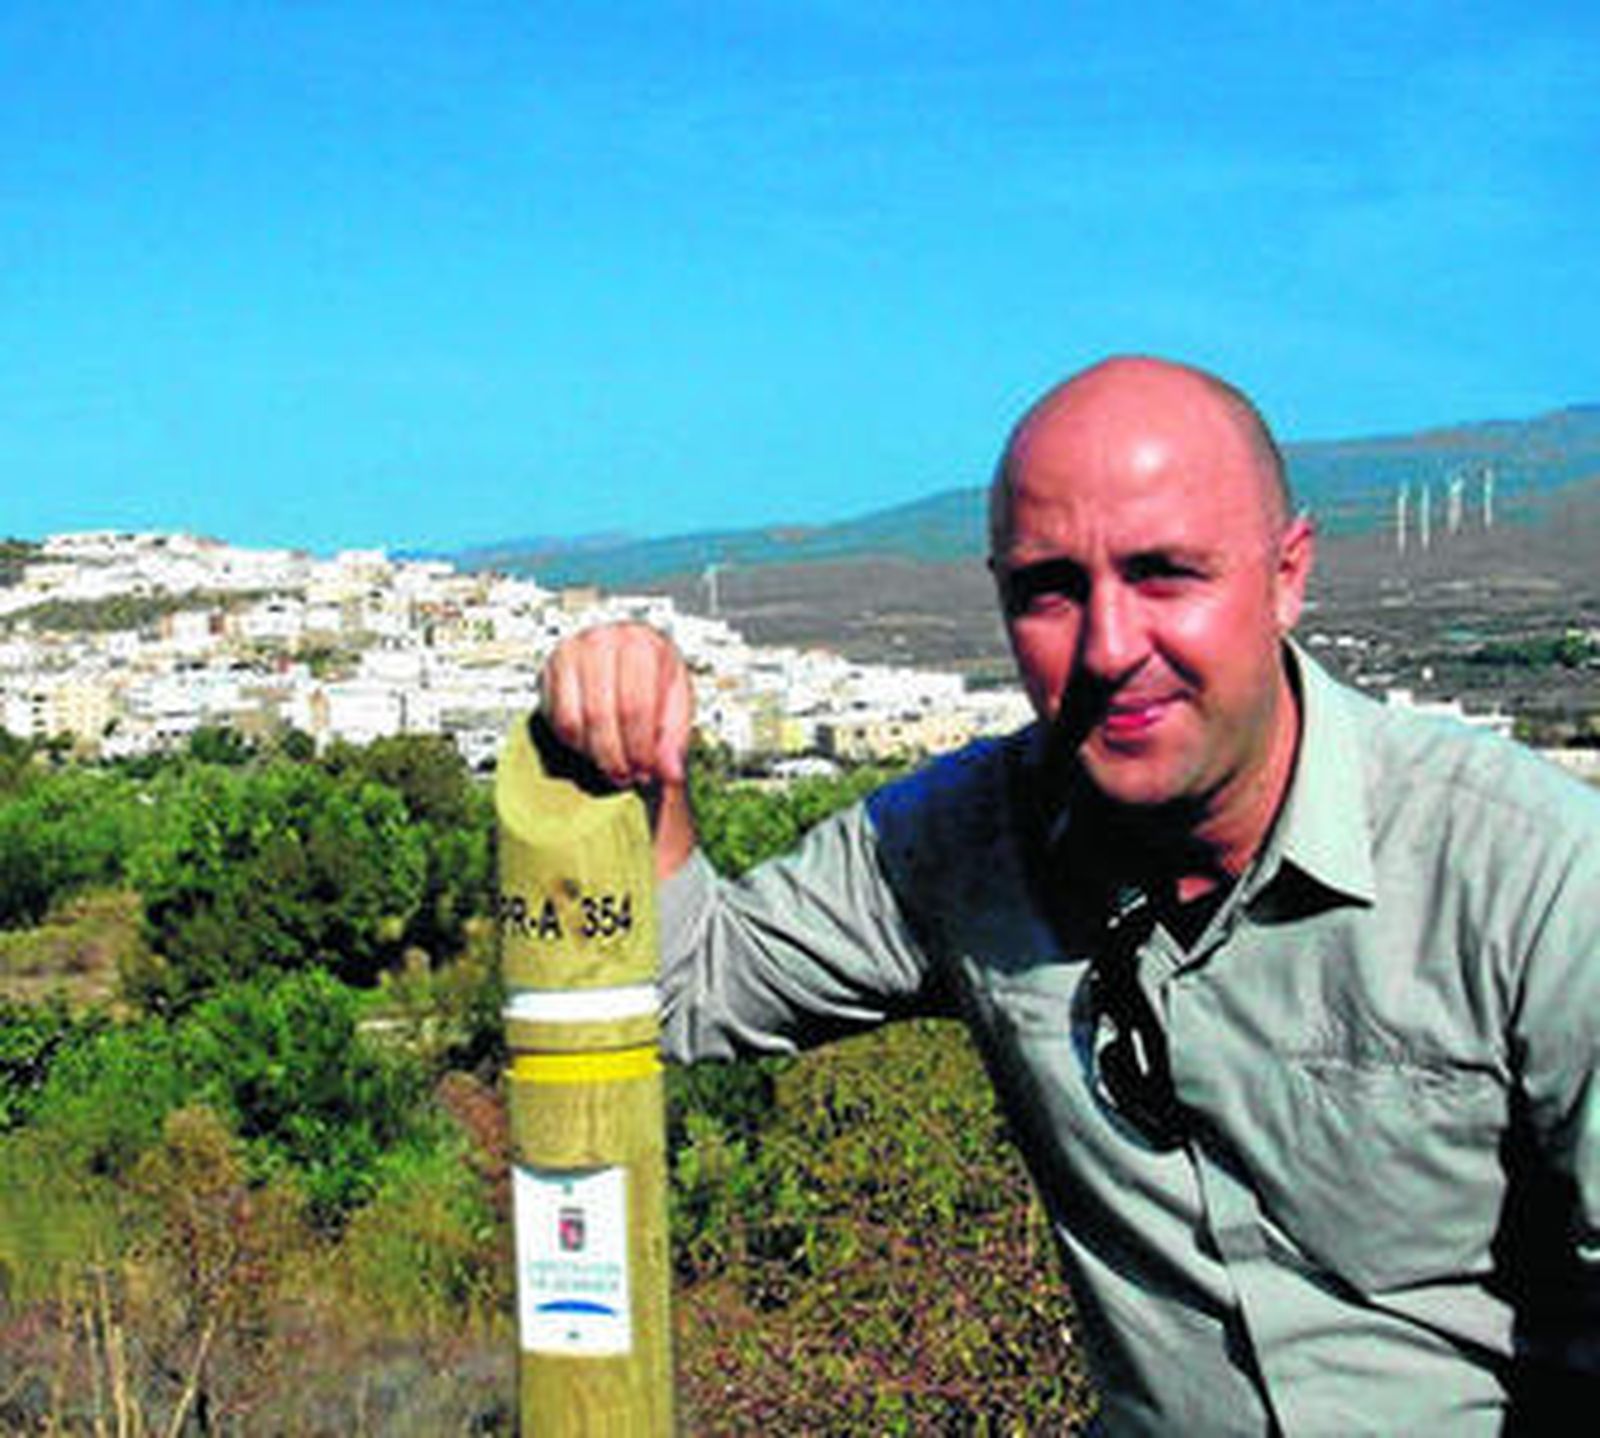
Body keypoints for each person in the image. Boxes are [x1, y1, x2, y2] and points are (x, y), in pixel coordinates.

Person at [538, 356, 1600, 1434]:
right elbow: (682, 986)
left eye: (1165, 574)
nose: (1107, 646)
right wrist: (629, 756)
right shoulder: (961, 841)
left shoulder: (1525, 872)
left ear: (1288, 574)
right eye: (1048, 590)